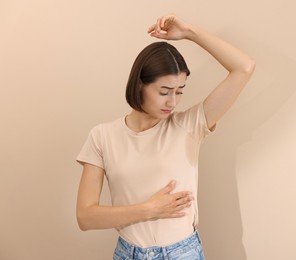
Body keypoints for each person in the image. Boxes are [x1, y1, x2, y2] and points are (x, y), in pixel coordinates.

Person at [76, 14, 255, 260]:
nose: (172, 102)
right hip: (128, 254)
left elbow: (244, 67)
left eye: (179, 91)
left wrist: (189, 32)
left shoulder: (189, 125)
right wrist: (148, 209)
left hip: (182, 253)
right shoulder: (102, 136)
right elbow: (85, 217)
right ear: (140, 85)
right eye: (164, 91)